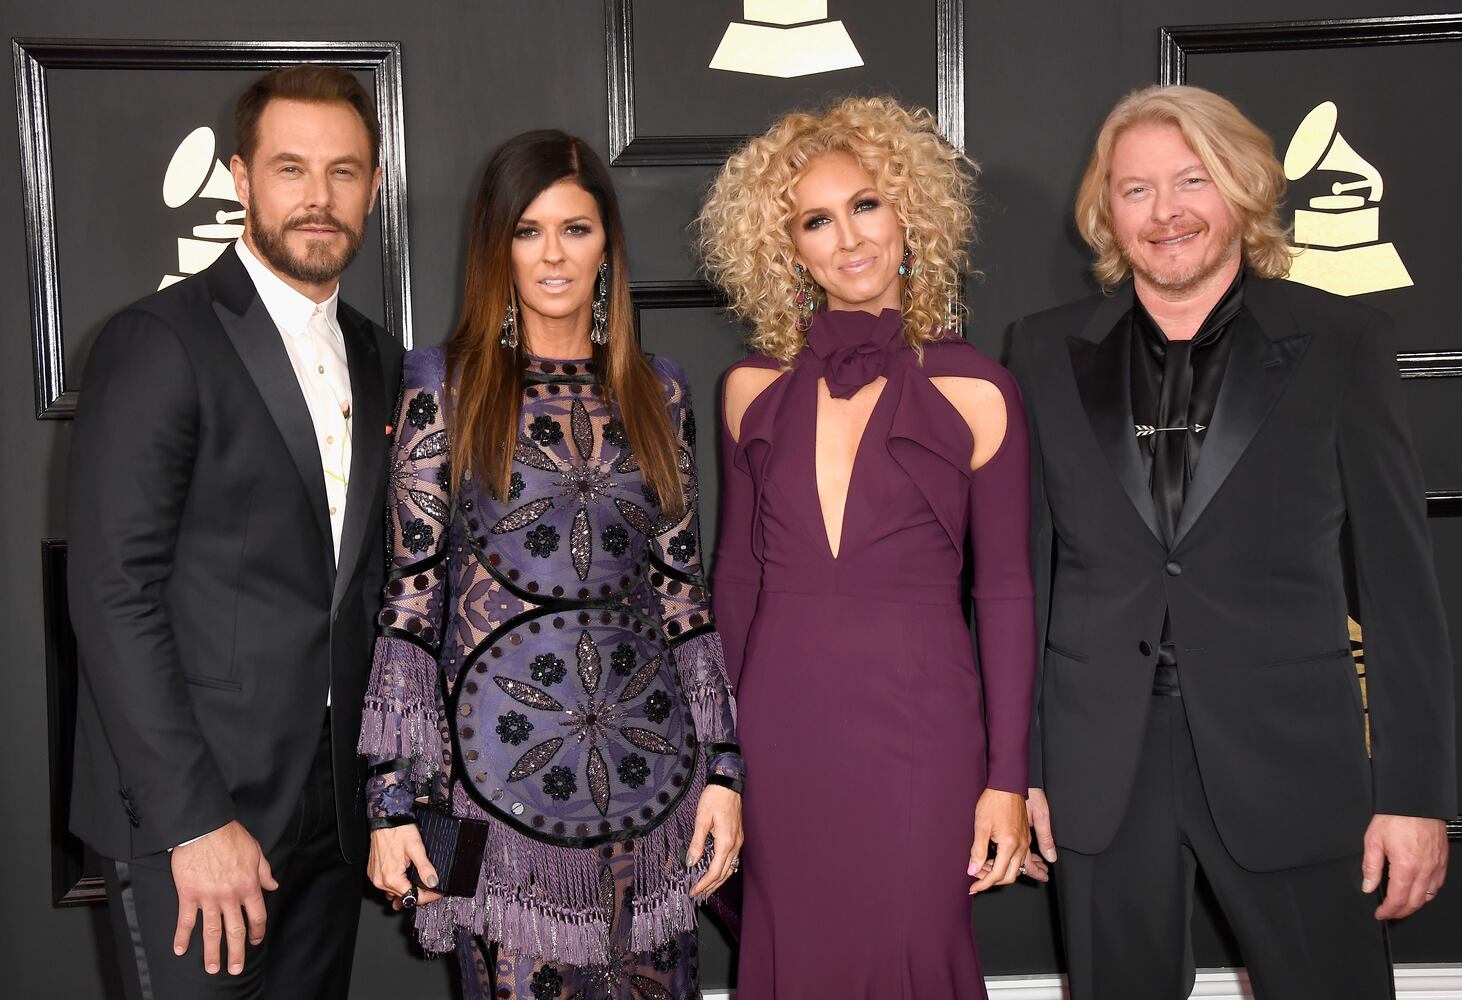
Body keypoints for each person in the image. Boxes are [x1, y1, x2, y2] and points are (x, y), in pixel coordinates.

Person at [1009, 84, 1455, 999]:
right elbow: (1028, 575)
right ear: (1106, 213)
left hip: (1292, 759)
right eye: (1135, 190)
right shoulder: (1042, 351)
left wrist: (1414, 797)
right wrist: (1025, 769)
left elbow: (1401, 592)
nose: (1165, 212)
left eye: (1192, 181)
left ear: (1243, 190)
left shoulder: (1341, 341)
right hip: (1103, 769)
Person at [359, 129, 743, 1000]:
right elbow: (409, 603)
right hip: (476, 800)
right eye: (527, 231)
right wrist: (390, 806)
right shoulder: (442, 385)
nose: (553, 255)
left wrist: (723, 776)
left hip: (651, 793)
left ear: (608, 242)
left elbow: (683, 599)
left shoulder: (660, 389)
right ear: (497, 246)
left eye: (576, 229)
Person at [67, 64, 402, 998]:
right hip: (200, 815)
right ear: (240, 176)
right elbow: (111, 593)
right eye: (291, 168)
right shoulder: (160, 340)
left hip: (330, 817)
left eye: (344, 171)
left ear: (373, 187)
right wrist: (190, 820)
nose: (319, 197)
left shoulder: (377, 354)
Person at [697, 96, 1036, 999]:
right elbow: (734, 582)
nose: (847, 238)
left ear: (909, 216)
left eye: (866, 205)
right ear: (787, 248)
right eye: (816, 218)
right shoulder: (747, 391)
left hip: (923, 732)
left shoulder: (980, 391)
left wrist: (1007, 777)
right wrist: (718, 766)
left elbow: (1005, 594)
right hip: (781, 727)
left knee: (916, 951)